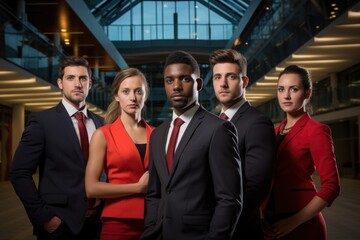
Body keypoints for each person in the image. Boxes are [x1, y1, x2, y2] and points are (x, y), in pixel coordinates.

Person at [141, 50, 242, 240]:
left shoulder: (219, 130)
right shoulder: (157, 135)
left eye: (184, 79)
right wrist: (150, 229)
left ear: (199, 84)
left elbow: (229, 199)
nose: (176, 86)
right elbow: (154, 194)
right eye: (169, 80)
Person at [10, 56, 104, 239]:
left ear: (90, 84)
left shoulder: (101, 123)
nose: (77, 84)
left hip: (98, 222)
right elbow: (19, 172)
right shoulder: (42, 122)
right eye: (70, 78)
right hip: (60, 224)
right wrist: (45, 218)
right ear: (60, 83)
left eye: (83, 78)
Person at [261, 65, 340, 240]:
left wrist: (294, 221)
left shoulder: (317, 130)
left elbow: (331, 186)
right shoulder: (272, 132)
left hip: (302, 224)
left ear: (307, 93)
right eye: (281, 89)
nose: (286, 96)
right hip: (270, 223)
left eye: (294, 89)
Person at [209, 48, 276, 240]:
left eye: (230, 77)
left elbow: (256, 186)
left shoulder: (257, 123)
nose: (222, 83)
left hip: (238, 230)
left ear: (244, 81)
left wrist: (220, 223)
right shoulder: (213, 123)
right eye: (217, 77)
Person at [85, 68, 154, 240]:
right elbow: (91, 188)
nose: (132, 97)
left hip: (154, 221)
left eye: (138, 91)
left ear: (145, 96)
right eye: (126, 91)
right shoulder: (103, 135)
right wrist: (137, 188)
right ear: (116, 96)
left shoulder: (157, 134)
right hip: (118, 223)